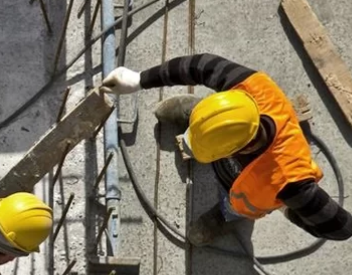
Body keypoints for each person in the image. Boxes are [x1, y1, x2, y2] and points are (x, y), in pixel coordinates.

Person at [101, 53, 352, 246]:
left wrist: (288, 209)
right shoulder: (252, 87)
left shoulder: (289, 181)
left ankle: (225, 216)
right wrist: (140, 79)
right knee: (215, 121)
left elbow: (341, 228)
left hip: (241, 194)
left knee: (233, 205)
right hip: (227, 122)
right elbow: (199, 65)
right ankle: (198, 115)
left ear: (236, 149)